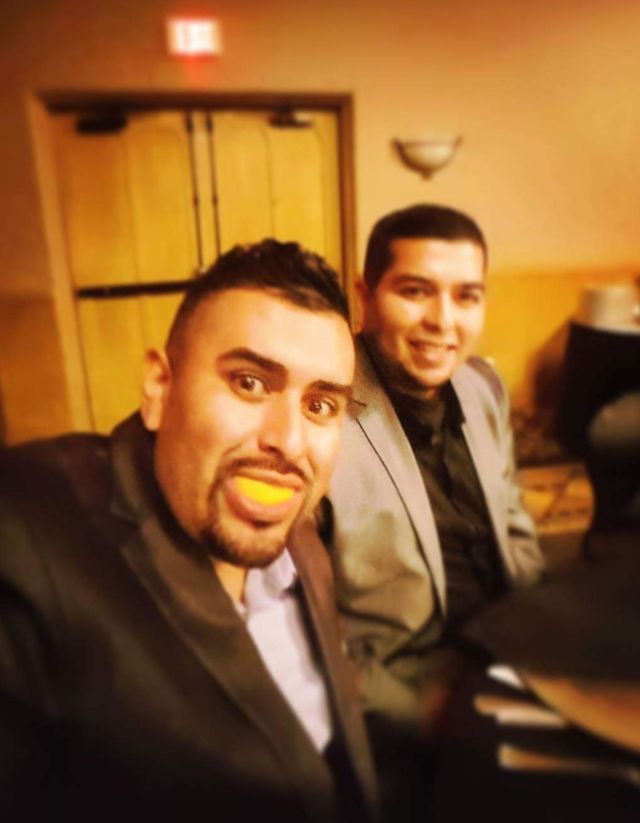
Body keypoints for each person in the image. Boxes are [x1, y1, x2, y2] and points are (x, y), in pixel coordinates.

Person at [0, 240, 378, 822]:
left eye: (321, 406)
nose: (289, 441)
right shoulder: (24, 538)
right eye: (249, 382)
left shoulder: (301, 525)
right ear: (159, 387)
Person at [326, 204, 546, 731]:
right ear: (364, 297)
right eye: (415, 291)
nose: (443, 321)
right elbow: (298, 628)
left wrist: (544, 632)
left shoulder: (483, 386)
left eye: (466, 296)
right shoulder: (321, 414)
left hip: (514, 648)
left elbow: (513, 520)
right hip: (408, 692)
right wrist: (422, 712)